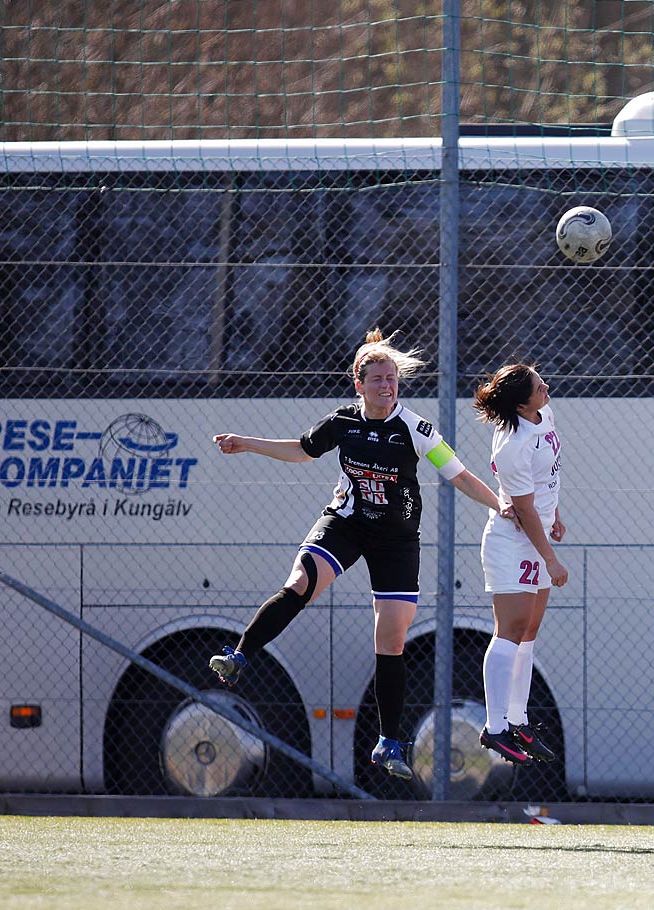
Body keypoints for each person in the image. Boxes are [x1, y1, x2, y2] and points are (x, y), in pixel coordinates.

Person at [209, 329, 505, 781]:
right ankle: (239, 655)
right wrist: (247, 442)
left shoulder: (417, 429)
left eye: (393, 379)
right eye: (378, 379)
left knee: (391, 638)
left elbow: (460, 475)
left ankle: (389, 743)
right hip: (345, 524)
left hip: (396, 541)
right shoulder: (342, 422)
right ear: (358, 383)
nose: (388, 386)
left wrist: (501, 505)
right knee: (301, 584)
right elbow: (303, 450)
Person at [473, 364, 569, 765]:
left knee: (528, 632)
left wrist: (556, 514)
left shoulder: (542, 414)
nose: (546, 386)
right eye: (537, 385)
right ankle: (495, 729)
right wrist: (551, 558)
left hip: (537, 535)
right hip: (513, 542)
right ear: (519, 402)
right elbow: (524, 511)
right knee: (509, 630)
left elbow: (548, 479)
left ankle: (518, 720)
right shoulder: (511, 443)